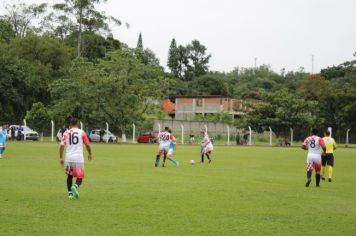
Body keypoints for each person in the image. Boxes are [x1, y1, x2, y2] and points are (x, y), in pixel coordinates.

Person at [59, 118, 92, 199]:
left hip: (69, 157)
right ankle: (75, 186)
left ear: (70, 124)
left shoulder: (66, 132)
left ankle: (70, 194)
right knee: (80, 177)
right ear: (78, 124)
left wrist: (61, 157)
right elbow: (87, 145)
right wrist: (90, 153)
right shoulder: (81, 132)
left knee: (69, 176)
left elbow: (62, 145)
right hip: (78, 157)